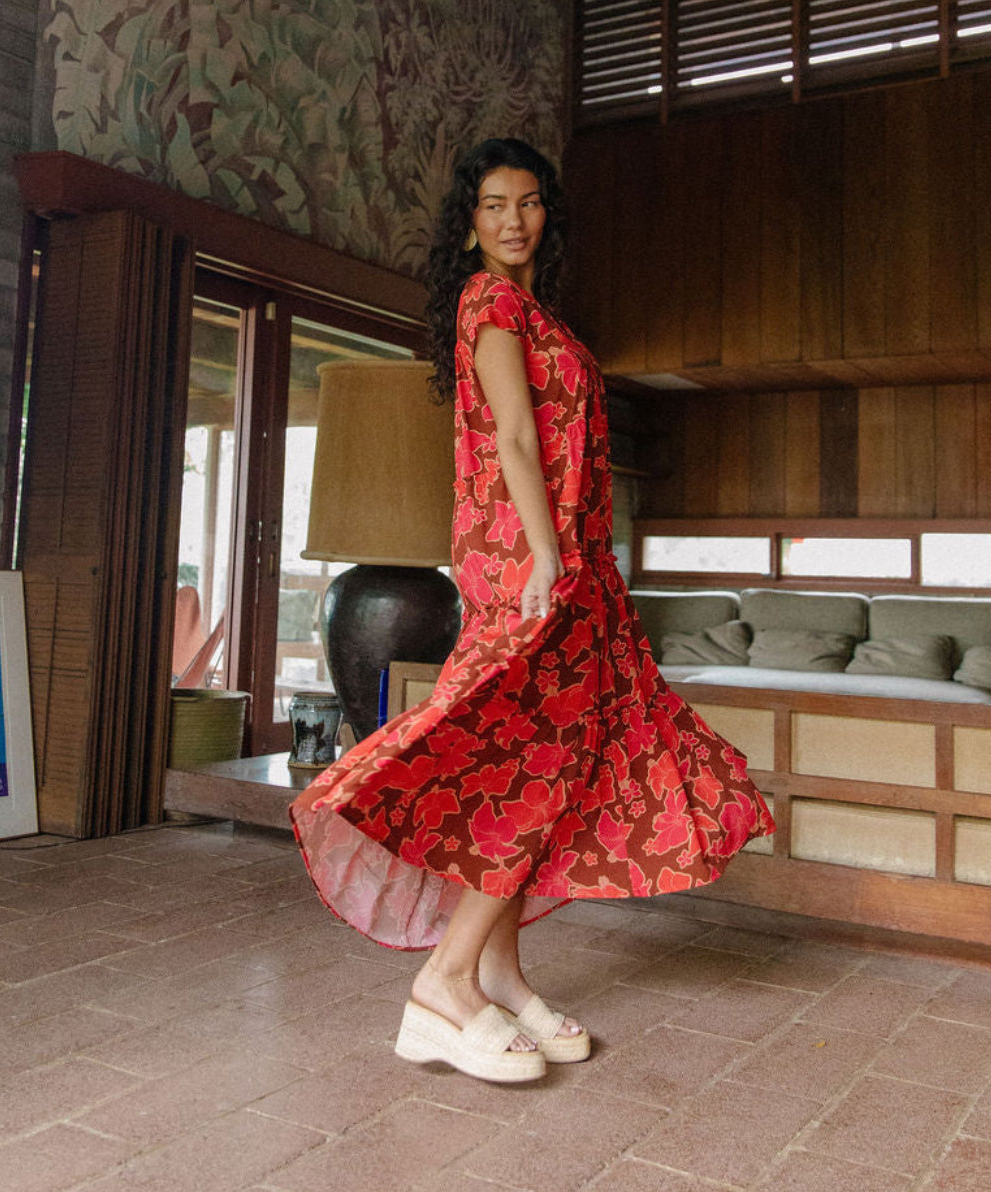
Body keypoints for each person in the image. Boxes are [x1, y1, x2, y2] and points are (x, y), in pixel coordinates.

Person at [289, 137, 774, 1084]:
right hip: (533, 566)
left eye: (529, 204)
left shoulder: (536, 311)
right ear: (469, 224)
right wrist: (548, 558)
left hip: (570, 564)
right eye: (494, 206)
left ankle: (500, 974)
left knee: (554, 758)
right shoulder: (492, 302)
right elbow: (513, 434)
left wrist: (580, 559)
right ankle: (444, 982)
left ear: (546, 214)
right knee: (531, 759)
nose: (514, 221)